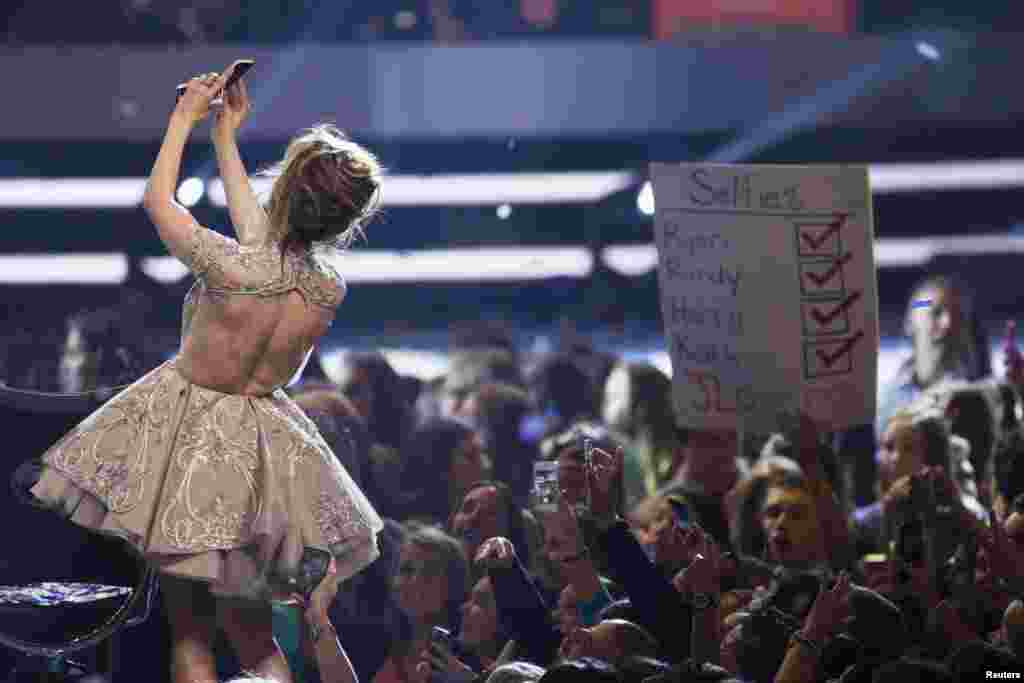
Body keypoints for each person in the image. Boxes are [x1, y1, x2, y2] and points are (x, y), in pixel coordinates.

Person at [17, 64, 385, 683]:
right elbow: (266, 241)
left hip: (191, 444)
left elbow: (158, 202)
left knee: (189, 632)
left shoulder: (232, 267)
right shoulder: (326, 290)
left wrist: (183, 119)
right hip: (265, 456)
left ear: (288, 191)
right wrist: (224, 137)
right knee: (254, 635)